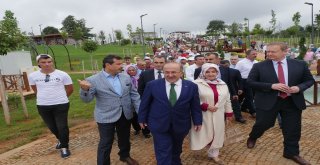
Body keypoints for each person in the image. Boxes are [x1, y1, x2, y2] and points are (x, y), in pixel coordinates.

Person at [246, 42, 314, 165]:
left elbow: (309, 80)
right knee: (263, 124)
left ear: (285, 52)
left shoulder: (300, 64)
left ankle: (291, 153)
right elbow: (250, 82)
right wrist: (272, 86)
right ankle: (253, 136)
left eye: (273, 51)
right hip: (267, 101)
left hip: (292, 101)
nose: (269, 54)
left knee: (293, 128)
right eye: (268, 51)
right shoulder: (259, 66)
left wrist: (298, 88)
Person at [78, 55, 140, 165]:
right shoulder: (92, 80)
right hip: (105, 116)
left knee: (125, 138)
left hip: (125, 114)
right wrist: (85, 90)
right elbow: (86, 100)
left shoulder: (125, 77)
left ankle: (125, 156)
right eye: (118, 64)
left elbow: (134, 95)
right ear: (108, 65)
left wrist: (140, 111)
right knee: (106, 142)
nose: (121, 66)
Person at [138, 62, 202, 165]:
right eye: (167, 72)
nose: (170, 75)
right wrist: (141, 118)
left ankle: (176, 162)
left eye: (174, 72)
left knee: (177, 148)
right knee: (163, 149)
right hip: (158, 123)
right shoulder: (152, 85)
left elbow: (195, 106)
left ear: (181, 73)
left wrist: (198, 121)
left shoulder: (191, 86)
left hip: (181, 124)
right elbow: (145, 103)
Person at [28, 54, 73, 158]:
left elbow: (70, 89)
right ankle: (61, 140)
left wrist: (61, 98)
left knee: (62, 126)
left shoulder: (62, 74)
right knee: (52, 127)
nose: (47, 64)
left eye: (49, 61)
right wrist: (44, 98)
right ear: (38, 63)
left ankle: (64, 147)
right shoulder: (33, 76)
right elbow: (35, 90)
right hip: (43, 105)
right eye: (43, 62)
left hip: (61, 104)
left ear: (52, 62)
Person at [190, 63, 233, 165]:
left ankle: (214, 154)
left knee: (217, 134)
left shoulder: (222, 84)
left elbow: (227, 99)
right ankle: (205, 148)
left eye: (213, 71)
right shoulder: (196, 84)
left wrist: (229, 113)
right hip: (203, 114)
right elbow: (192, 99)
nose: (210, 74)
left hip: (218, 114)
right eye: (208, 72)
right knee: (205, 133)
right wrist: (205, 106)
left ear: (217, 72)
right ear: (203, 73)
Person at [137, 55, 166, 138]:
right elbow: (141, 89)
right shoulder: (145, 74)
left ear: (165, 63)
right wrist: (146, 101)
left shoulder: (171, 73)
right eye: (156, 62)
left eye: (161, 62)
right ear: (153, 62)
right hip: (152, 105)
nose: (158, 64)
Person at [235, 49, 258, 118]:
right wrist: (238, 84)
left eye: (256, 54)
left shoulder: (256, 62)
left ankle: (243, 107)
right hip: (244, 81)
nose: (255, 55)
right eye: (253, 54)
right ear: (247, 55)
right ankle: (253, 112)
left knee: (253, 96)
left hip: (254, 81)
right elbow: (236, 73)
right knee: (250, 96)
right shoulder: (241, 63)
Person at [125, 64, 141, 135]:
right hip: (129, 100)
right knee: (133, 115)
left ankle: (144, 130)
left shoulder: (140, 77)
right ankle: (136, 128)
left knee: (140, 113)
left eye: (133, 70)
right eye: (129, 70)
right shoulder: (125, 79)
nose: (131, 71)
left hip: (140, 98)